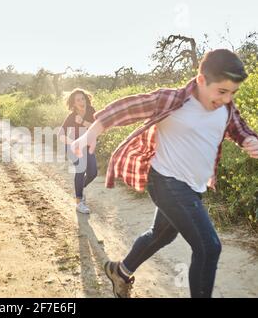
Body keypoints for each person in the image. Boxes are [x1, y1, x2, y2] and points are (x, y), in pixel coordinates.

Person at [71, 49, 258, 298]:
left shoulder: (226, 108)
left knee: (161, 235)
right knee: (208, 247)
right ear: (201, 80)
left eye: (232, 92)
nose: (226, 98)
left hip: (193, 187)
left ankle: (120, 271)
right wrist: (92, 131)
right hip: (166, 182)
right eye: (221, 91)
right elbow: (129, 107)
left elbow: (239, 128)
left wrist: (248, 140)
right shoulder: (173, 100)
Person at [58, 89, 97, 214]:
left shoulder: (91, 111)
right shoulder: (71, 117)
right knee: (81, 168)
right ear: (74, 104)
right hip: (73, 146)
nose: (81, 102)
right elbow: (60, 135)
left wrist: (83, 122)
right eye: (78, 100)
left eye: (83, 98)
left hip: (87, 145)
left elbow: (97, 127)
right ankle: (79, 202)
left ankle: (79, 188)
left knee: (93, 172)